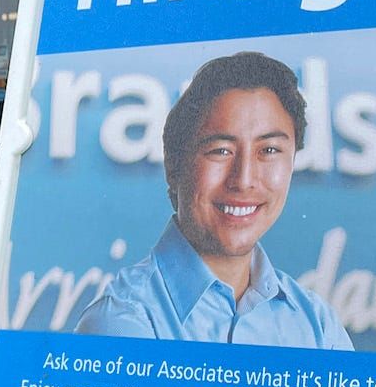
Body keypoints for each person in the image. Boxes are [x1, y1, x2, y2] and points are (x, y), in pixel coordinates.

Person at [72, 51, 352, 350]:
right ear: (174, 166)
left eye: (269, 150)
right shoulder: (122, 323)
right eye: (220, 150)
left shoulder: (318, 326)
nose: (244, 180)